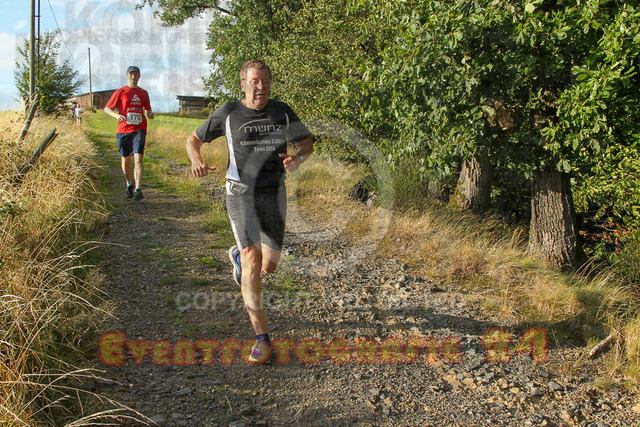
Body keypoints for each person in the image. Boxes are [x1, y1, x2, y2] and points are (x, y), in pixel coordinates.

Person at [186, 59, 314, 364]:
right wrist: (195, 159)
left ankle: (238, 260)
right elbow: (193, 139)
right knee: (252, 258)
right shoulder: (229, 112)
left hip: (274, 192)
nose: (260, 87)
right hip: (240, 191)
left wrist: (298, 158)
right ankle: (261, 339)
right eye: (254, 81)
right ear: (243, 84)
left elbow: (307, 143)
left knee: (269, 265)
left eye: (265, 81)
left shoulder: (282, 111)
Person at [104, 65, 154, 201]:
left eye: (136, 74)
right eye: (131, 74)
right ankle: (128, 184)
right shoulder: (120, 92)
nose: (133, 76)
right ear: (127, 75)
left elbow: (148, 109)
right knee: (125, 160)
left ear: (139, 76)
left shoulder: (143, 93)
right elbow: (107, 108)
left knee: (138, 158)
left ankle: (138, 189)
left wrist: (149, 114)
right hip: (123, 129)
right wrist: (116, 115)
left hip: (139, 129)